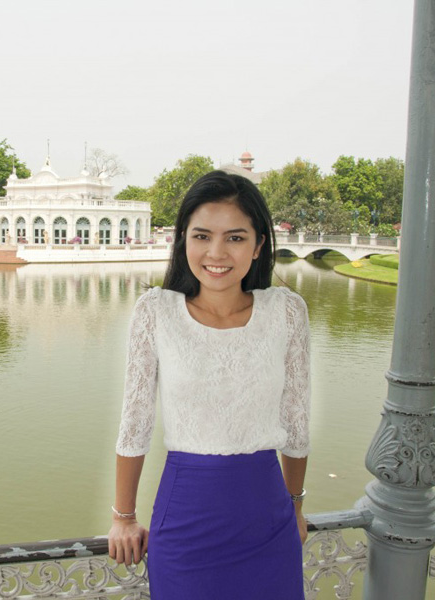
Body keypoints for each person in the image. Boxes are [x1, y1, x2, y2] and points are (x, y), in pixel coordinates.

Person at [107, 170, 310, 599]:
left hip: (269, 518)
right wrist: (123, 516)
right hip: (187, 520)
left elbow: (296, 419)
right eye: (202, 236)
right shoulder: (156, 312)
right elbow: (135, 421)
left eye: (235, 238)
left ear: (258, 246)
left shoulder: (286, 312)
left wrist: (296, 506)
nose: (216, 252)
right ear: (183, 240)